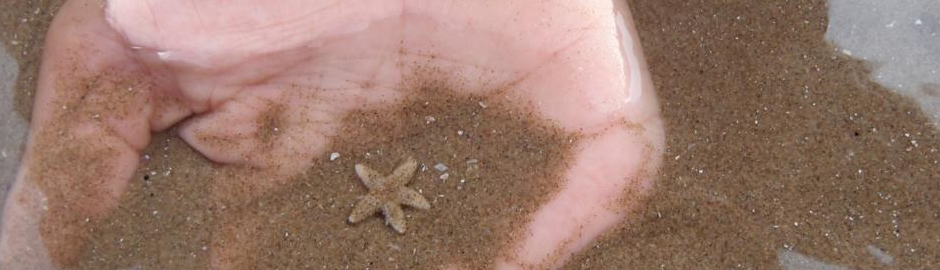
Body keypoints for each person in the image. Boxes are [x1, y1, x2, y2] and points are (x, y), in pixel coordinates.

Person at [0, 0, 664, 269]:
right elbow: (379, 193)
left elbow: (392, 196)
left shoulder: (392, 191)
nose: (387, 195)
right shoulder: (378, 190)